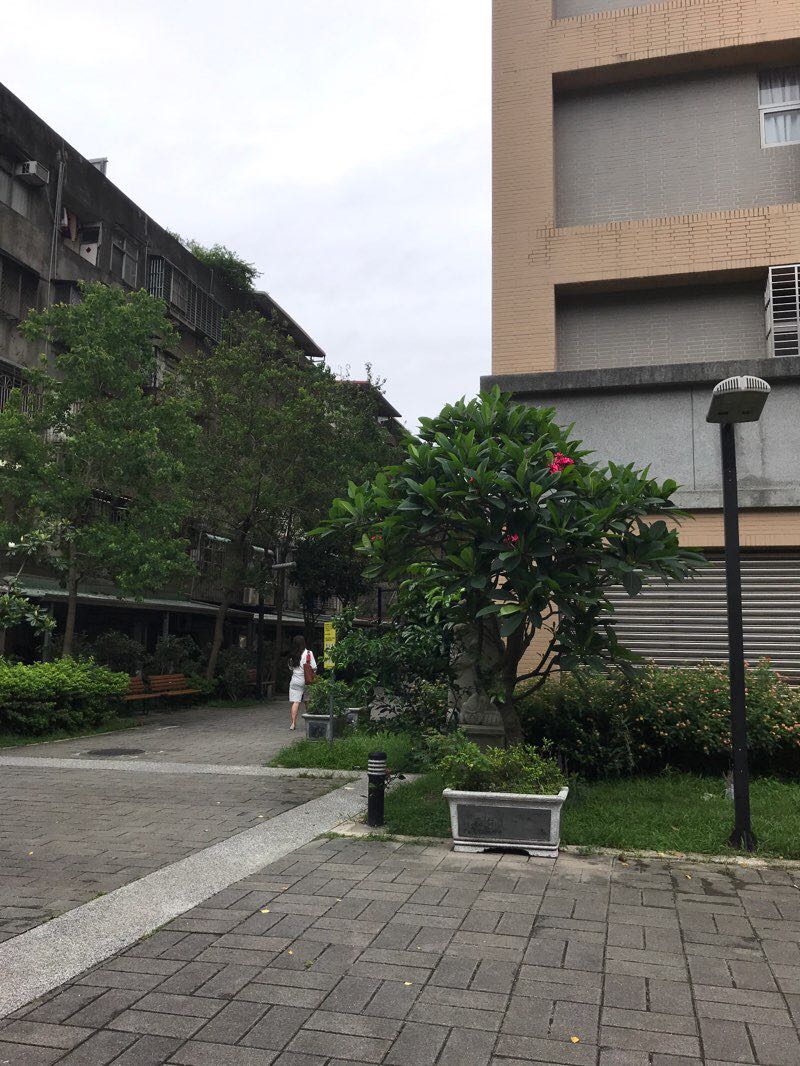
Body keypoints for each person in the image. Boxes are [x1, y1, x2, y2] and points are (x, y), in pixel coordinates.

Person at [288, 634, 316, 730]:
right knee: (308, 701)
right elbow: (314, 667)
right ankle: (309, 722)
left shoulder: (292, 655)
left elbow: (291, 668)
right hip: (307, 681)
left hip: (295, 681)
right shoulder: (309, 653)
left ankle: (293, 724)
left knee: (295, 702)